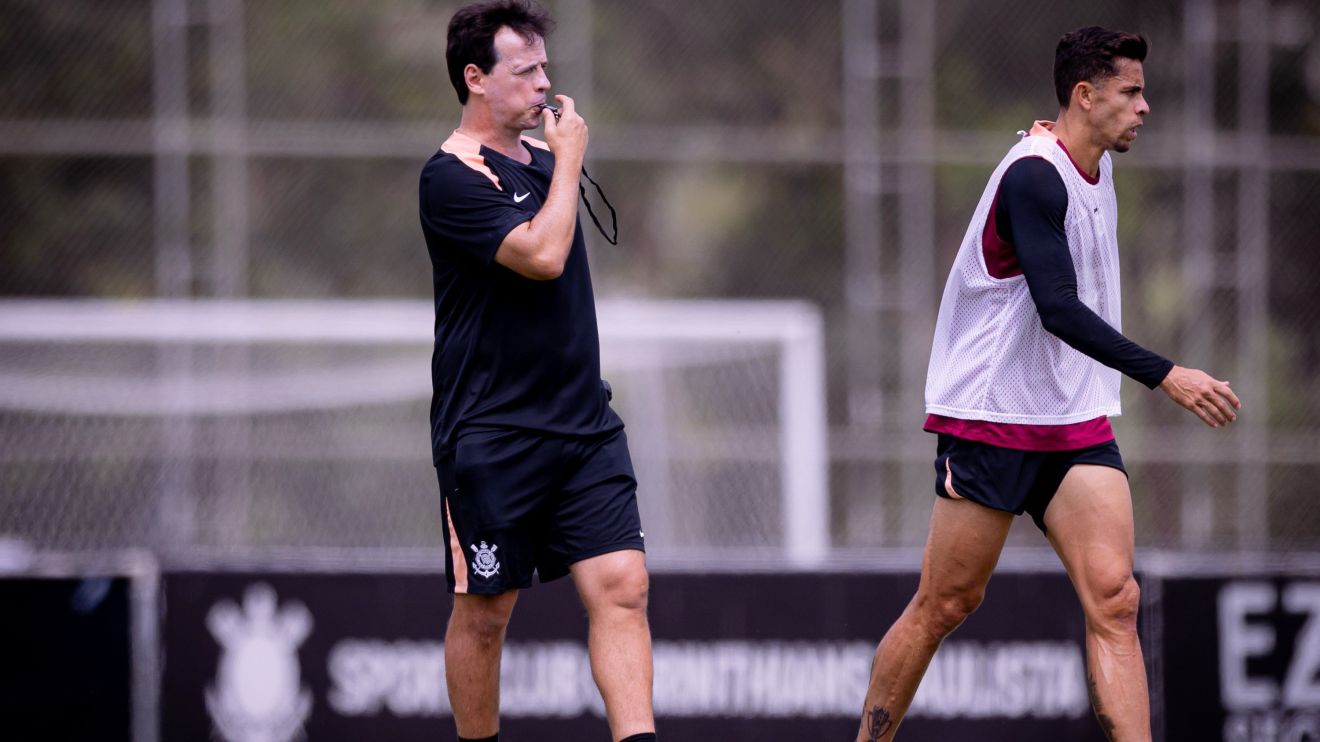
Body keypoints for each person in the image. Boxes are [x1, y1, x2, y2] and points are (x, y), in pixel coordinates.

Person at [855, 27, 1241, 742]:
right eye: (1131, 92)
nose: (1144, 107)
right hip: (992, 417)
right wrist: (1167, 375)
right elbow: (1058, 309)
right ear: (1085, 96)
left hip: (1075, 418)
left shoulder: (1094, 162)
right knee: (945, 605)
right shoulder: (1034, 177)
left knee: (1116, 600)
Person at [418, 3, 656, 741]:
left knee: (623, 587)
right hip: (493, 434)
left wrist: (559, 162)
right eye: (525, 72)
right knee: (485, 615)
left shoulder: (545, 162)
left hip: (583, 424)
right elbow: (543, 255)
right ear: (475, 78)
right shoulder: (450, 177)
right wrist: (571, 159)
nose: (544, 84)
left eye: (544, 68)